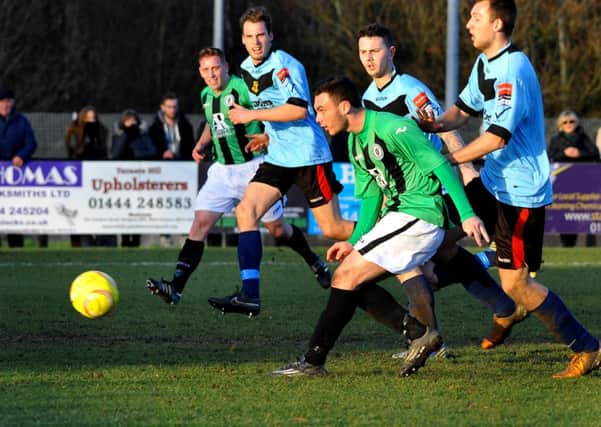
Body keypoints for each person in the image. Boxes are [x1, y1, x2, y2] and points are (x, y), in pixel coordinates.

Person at [418, 0, 600, 378]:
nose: (468, 24)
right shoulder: (486, 62)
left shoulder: (511, 70)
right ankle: (503, 306)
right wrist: (434, 126)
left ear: (497, 24)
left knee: (517, 281)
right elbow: (463, 109)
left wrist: (451, 160)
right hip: (493, 180)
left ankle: (587, 347)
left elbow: (497, 137)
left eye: (476, 17)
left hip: (518, 193)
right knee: (441, 238)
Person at [270, 76, 489, 377]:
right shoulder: (354, 141)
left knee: (346, 276)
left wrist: (466, 214)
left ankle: (313, 361)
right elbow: (372, 198)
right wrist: (354, 241)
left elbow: (438, 164)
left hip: (419, 216)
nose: (317, 117)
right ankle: (416, 334)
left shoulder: (391, 127)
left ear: (344, 107)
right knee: (350, 279)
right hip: (400, 218)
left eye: (321, 109)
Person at [357, 23, 525, 355]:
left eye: (375, 51)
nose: (369, 58)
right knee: (437, 260)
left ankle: (428, 342)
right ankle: (501, 304)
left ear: (391, 52)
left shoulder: (410, 90)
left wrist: (464, 171)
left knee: (416, 265)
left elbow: (444, 130)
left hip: (433, 187)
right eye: (363, 52)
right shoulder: (367, 97)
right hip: (407, 193)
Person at [145, 47, 331, 306]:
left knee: (278, 230)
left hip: (253, 167)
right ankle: (175, 287)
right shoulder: (206, 94)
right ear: (200, 72)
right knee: (199, 224)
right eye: (206, 69)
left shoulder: (242, 88)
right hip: (221, 171)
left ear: (226, 67)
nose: (212, 74)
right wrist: (201, 144)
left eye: (216, 68)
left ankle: (314, 261)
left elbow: (269, 108)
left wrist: (267, 136)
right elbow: (213, 122)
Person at [207, 6, 355, 316]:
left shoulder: (286, 65)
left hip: (309, 156)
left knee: (333, 229)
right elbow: (273, 112)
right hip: (277, 157)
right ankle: (250, 294)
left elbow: (299, 110)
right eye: (250, 36)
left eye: (261, 34)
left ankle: (393, 236)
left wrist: (253, 116)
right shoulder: (246, 68)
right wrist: (267, 135)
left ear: (271, 36)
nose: (256, 41)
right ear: (243, 39)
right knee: (245, 211)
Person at [64, 105, 114, 247]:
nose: (91, 122)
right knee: (78, 211)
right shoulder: (73, 129)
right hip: (79, 176)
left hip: (97, 175)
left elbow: (103, 152)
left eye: (93, 118)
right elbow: (72, 151)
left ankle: (101, 241)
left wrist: (94, 140)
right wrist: (83, 141)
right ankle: (79, 243)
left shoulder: (101, 130)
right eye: (88, 118)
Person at [548, 110, 598, 247]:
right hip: (562, 184)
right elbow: (550, 156)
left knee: (579, 213)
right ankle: (567, 243)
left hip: (582, 184)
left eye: (572, 121)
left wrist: (579, 154)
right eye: (565, 122)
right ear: (560, 124)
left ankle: (586, 243)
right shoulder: (556, 140)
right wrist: (563, 153)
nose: (569, 124)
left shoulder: (584, 138)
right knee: (562, 214)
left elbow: (594, 154)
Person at [111, 109, 159, 247]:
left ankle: (136, 241)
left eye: (133, 121)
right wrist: (126, 135)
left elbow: (151, 151)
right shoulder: (118, 135)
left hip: (141, 179)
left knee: (138, 211)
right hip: (122, 181)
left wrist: (136, 135)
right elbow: (115, 154)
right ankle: (125, 240)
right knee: (124, 211)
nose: (130, 124)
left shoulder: (143, 134)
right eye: (127, 121)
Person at [0, 87, 37, 248]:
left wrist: (21, 155)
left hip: (16, 179)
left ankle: (17, 248)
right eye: (2, 101)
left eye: (9, 101)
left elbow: (31, 143)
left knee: (13, 214)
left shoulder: (21, 121)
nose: (6, 104)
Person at [148, 92, 195, 161]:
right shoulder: (154, 128)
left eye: (175, 106)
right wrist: (162, 153)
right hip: (161, 163)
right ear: (162, 107)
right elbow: (151, 148)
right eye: (169, 107)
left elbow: (191, 146)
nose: (173, 110)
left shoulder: (186, 126)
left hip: (184, 164)